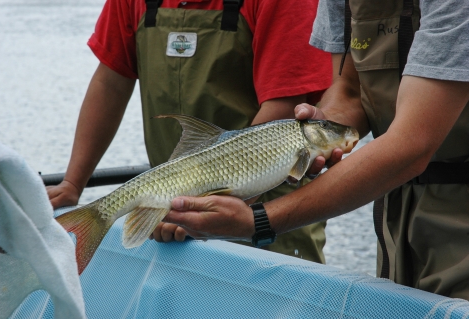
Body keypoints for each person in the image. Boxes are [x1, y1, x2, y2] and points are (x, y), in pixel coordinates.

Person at [160, 0, 469, 299]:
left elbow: (412, 145)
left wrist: (258, 221)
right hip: (394, 217)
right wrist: (323, 125)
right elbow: (349, 90)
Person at [46, 0, 333, 263]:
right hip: (172, 214)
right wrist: (73, 183)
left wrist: (208, 204)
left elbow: (286, 103)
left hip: (268, 221)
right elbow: (111, 82)